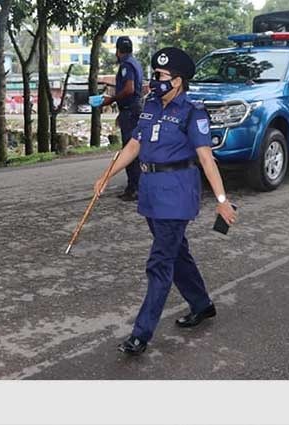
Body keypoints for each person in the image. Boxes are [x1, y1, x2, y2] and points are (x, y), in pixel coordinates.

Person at [93, 47, 237, 354]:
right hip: (151, 193)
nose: (155, 81)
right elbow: (134, 145)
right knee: (176, 253)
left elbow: (206, 159)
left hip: (176, 194)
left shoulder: (192, 112)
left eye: (161, 76)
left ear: (179, 81)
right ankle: (201, 304)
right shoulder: (151, 106)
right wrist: (107, 175)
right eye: (155, 75)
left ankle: (140, 334)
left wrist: (222, 200)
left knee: (159, 263)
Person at [99, 36, 144, 202]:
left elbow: (129, 89)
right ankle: (136, 186)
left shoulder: (126, 65)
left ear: (118, 51)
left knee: (130, 150)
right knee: (134, 149)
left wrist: (110, 100)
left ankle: (134, 188)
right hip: (132, 110)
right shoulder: (136, 63)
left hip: (131, 112)